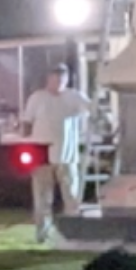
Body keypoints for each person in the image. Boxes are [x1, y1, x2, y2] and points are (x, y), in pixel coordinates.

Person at [17, 64, 91, 236]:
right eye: (55, 76)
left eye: (62, 76)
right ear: (48, 78)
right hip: (42, 155)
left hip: (67, 155)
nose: (59, 80)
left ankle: (74, 231)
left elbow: (93, 110)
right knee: (42, 197)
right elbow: (27, 122)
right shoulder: (37, 98)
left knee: (71, 196)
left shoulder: (75, 97)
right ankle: (42, 231)